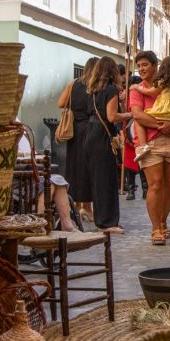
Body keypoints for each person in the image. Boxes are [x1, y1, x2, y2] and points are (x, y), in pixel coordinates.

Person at [129, 52, 170, 245]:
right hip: (151, 142)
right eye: (139, 66)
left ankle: (163, 221)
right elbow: (138, 116)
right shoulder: (137, 90)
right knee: (155, 184)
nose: (141, 69)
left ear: (155, 65)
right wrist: (162, 126)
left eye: (145, 65)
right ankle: (155, 228)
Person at [84, 57, 132, 233]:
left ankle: (102, 220)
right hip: (102, 136)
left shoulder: (93, 90)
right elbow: (112, 116)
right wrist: (129, 115)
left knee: (98, 180)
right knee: (107, 180)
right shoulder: (111, 90)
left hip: (91, 133)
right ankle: (107, 222)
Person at [57, 56, 97, 224]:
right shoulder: (96, 86)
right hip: (90, 129)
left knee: (74, 167)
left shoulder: (73, 83)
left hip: (74, 130)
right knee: (88, 169)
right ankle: (87, 207)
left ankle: (76, 206)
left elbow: (61, 103)